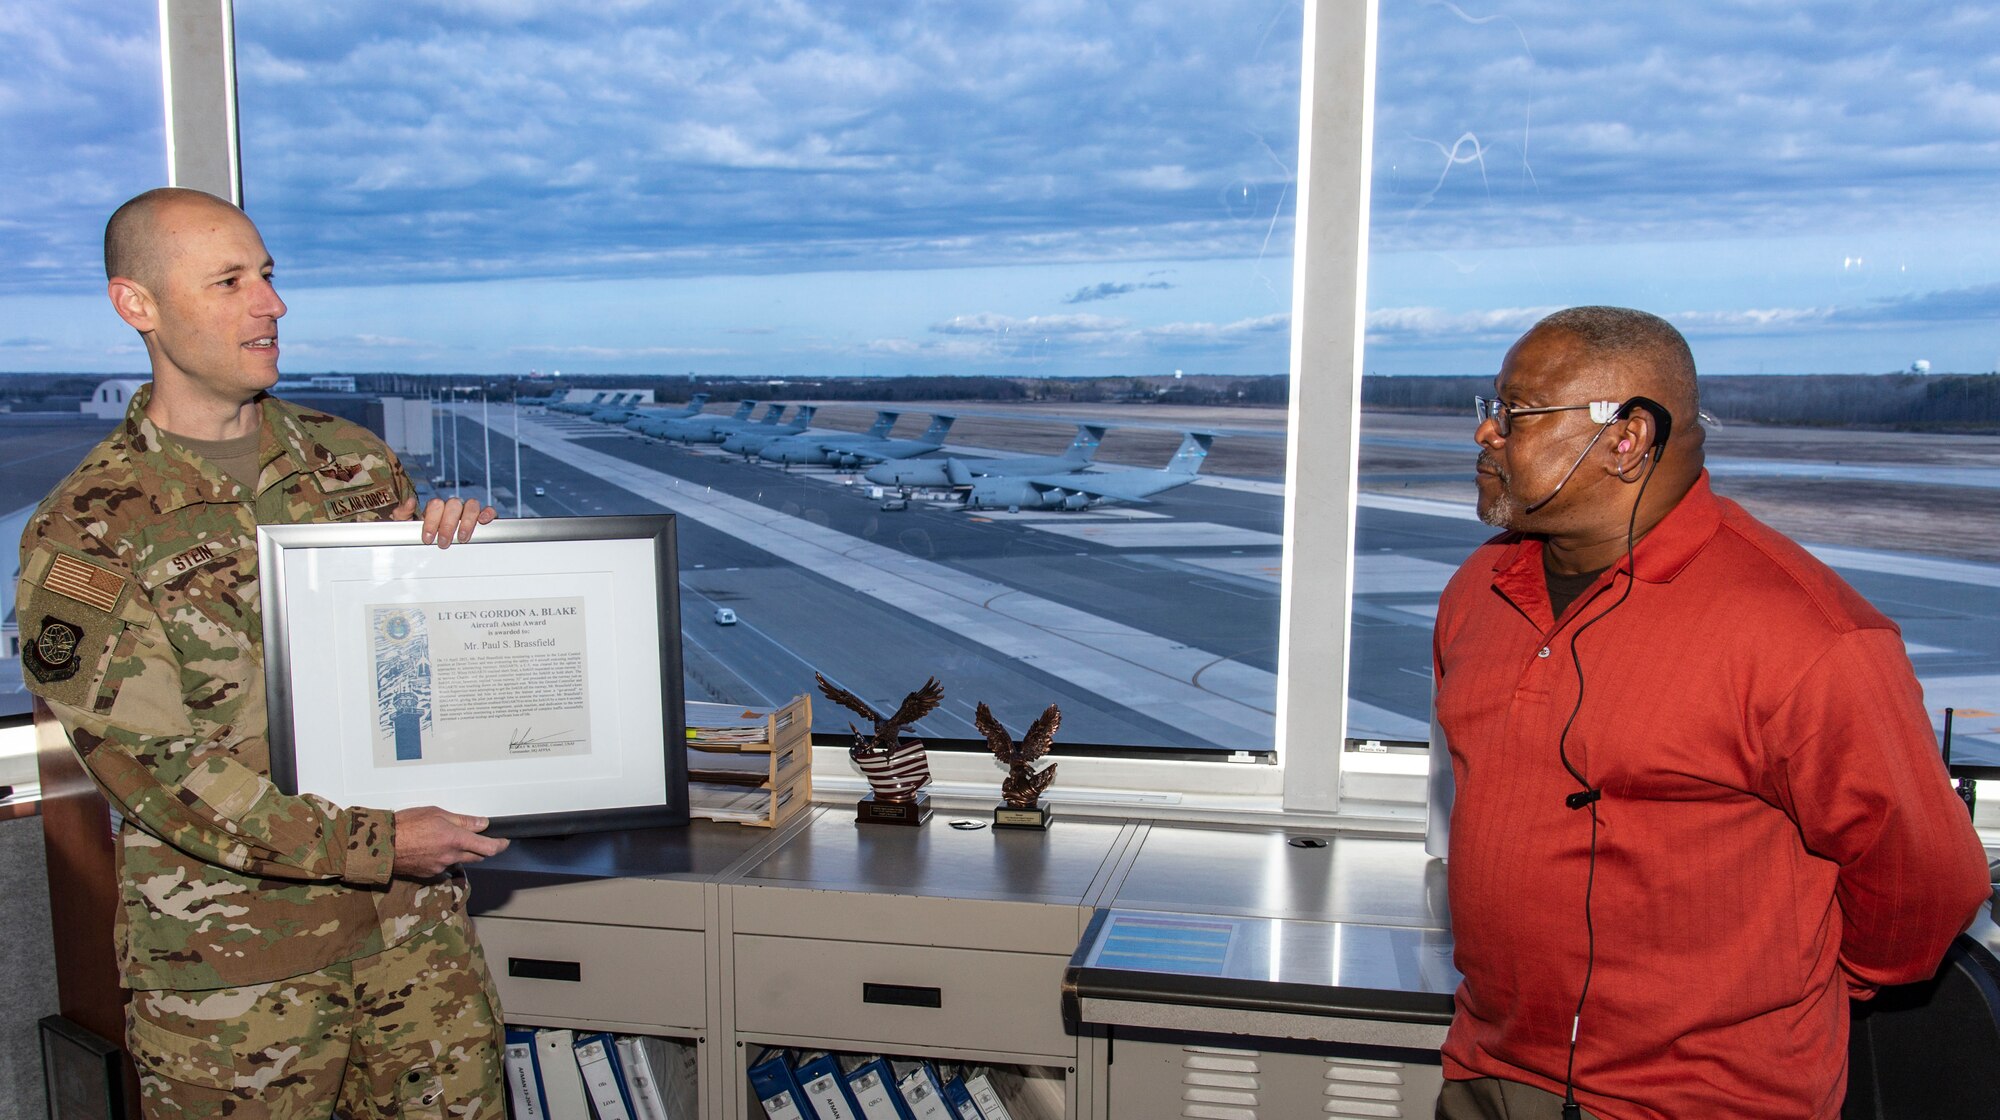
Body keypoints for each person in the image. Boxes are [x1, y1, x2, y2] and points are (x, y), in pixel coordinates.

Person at [17, 187, 511, 1118]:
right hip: (238, 990)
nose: (271, 304)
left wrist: (461, 581)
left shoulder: (354, 467)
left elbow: (411, 684)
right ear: (139, 307)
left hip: (416, 948)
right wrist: (378, 843)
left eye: (271, 276)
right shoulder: (88, 530)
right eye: (232, 281)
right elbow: (157, 772)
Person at [1432, 306, 1990, 1120]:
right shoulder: (1476, 595)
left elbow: (1926, 886)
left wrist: (1782, 991)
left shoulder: (1809, 635)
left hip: (1707, 1101)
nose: (1486, 437)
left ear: (1626, 438)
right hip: (1490, 1076)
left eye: (1512, 414)